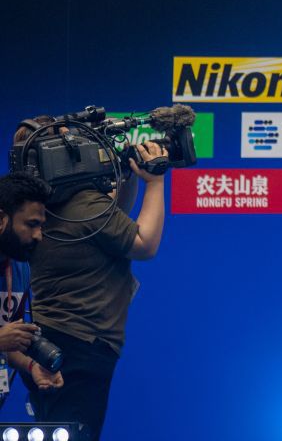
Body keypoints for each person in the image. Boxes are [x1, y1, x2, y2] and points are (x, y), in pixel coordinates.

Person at [12, 117, 168, 440]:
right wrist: (155, 182)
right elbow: (145, 243)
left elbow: (107, 222)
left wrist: (126, 177)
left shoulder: (50, 209)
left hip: (57, 344)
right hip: (81, 350)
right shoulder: (82, 204)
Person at [0, 172, 64, 412]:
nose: (39, 235)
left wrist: (30, 366)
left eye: (41, 225)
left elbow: (8, 341)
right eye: (31, 224)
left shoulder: (20, 269)